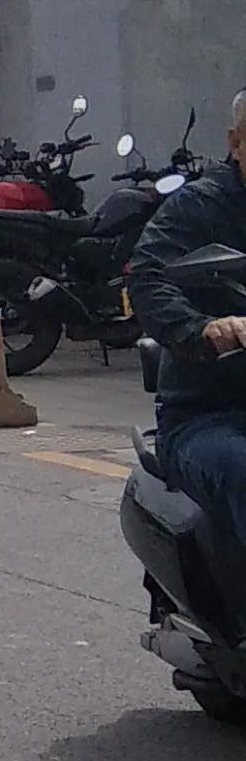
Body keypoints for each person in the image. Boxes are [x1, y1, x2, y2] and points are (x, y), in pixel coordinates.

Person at [130, 89, 246, 563]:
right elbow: (147, 274)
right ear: (236, 142)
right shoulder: (200, 206)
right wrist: (202, 328)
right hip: (211, 414)